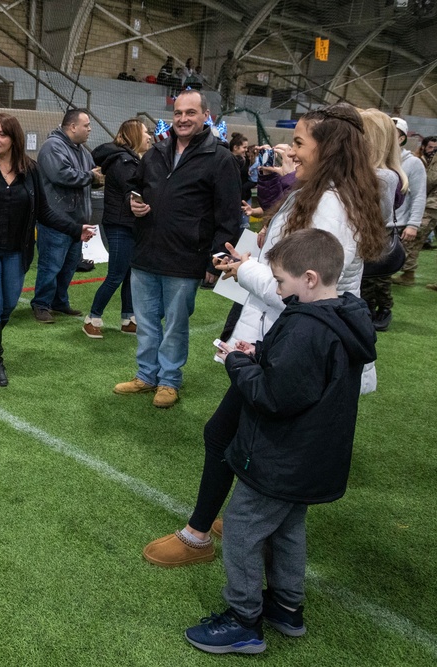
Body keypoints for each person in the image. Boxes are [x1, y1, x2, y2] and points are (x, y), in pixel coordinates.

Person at [142, 102, 386, 568]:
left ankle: (203, 538)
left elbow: (302, 290)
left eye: (299, 143)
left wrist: (244, 268)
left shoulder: (331, 204)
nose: (290, 151)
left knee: (230, 437)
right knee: (238, 438)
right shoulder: (326, 194)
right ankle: (229, 527)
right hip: (292, 344)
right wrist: (253, 258)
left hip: (298, 350)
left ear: (328, 148)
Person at [185, 229, 376, 655]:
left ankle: (243, 619)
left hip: (280, 454)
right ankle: (286, 606)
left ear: (309, 278)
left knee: (242, 527)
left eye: (282, 282)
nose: (278, 290)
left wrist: (238, 362)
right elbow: (300, 380)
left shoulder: (307, 328)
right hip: (312, 456)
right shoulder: (343, 318)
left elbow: (274, 397)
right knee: (288, 526)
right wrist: (263, 357)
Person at [0, 113, 94, 387]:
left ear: (15, 138)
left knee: (8, 306)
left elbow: (45, 212)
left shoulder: (30, 169)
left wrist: (75, 229)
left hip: (16, 251)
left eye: (1, 134)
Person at [113, 90, 239, 408]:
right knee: (145, 320)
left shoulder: (221, 158)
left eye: (190, 113)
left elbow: (228, 216)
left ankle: (169, 381)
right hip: (146, 253)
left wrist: (216, 260)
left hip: (186, 258)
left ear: (205, 116)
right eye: (178, 113)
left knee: (175, 324)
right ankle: (146, 375)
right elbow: (135, 187)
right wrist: (132, 200)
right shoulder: (155, 153)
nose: (182, 119)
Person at [30, 108, 103, 323]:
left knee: (69, 265)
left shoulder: (81, 150)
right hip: (56, 220)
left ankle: (59, 302)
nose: (90, 129)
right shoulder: (52, 147)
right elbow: (62, 175)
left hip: (76, 222)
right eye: (86, 125)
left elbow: (92, 173)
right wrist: (90, 176)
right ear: (72, 127)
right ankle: (41, 304)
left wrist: (94, 177)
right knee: (50, 266)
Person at [84, 118, 151, 338]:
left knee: (130, 274)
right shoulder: (124, 162)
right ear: (134, 135)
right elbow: (135, 191)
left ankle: (128, 318)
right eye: (145, 132)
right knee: (116, 274)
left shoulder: (128, 160)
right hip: (120, 225)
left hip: (126, 224)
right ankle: (92, 318)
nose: (149, 136)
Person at [358, 108, 408, 331]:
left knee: (378, 280)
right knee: (369, 282)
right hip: (371, 238)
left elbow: (375, 216)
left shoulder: (385, 177)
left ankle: (382, 309)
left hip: (377, 237)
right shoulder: (382, 174)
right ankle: (368, 310)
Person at [392, 134, 437, 286]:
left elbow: (430, 180)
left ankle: (408, 273)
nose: (432, 151)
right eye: (430, 147)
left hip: (433, 205)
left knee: (414, 240)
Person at [389, 119, 426, 286]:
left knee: (384, 272)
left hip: (397, 225)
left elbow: (419, 195)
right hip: (376, 223)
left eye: (393, 134)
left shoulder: (413, 163)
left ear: (401, 138)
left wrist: (413, 224)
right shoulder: (375, 160)